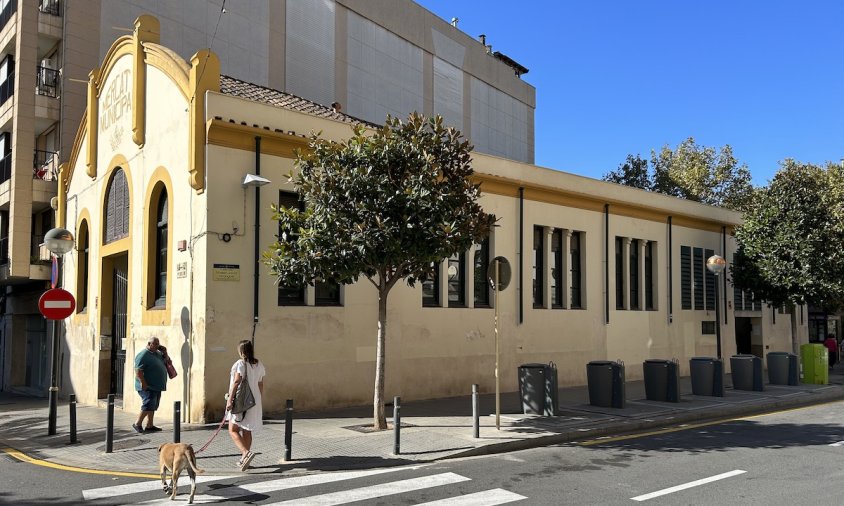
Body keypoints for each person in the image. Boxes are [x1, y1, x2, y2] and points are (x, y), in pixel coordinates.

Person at [225, 340, 266, 471]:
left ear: (241, 351)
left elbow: (237, 381)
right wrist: (259, 399)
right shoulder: (258, 364)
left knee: (233, 429)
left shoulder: (240, 364)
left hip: (241, 400)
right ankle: (245, 459)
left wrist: (230, 400)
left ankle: (245, 453)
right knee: (247, 430)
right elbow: (260, 383)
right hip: (254, 401)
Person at [133, 336, 169, 433]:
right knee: (148, 403)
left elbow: (168, 362)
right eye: (155, 344)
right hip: (147, 386)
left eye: (158, 344)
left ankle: (149, 425)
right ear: (149, 344)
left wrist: (165, 353)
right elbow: (138, 371)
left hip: (157, 385)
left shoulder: (157, 353)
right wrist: (143, 384)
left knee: (153, 405)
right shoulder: (143, 355)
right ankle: (137, 423)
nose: (158, 346)